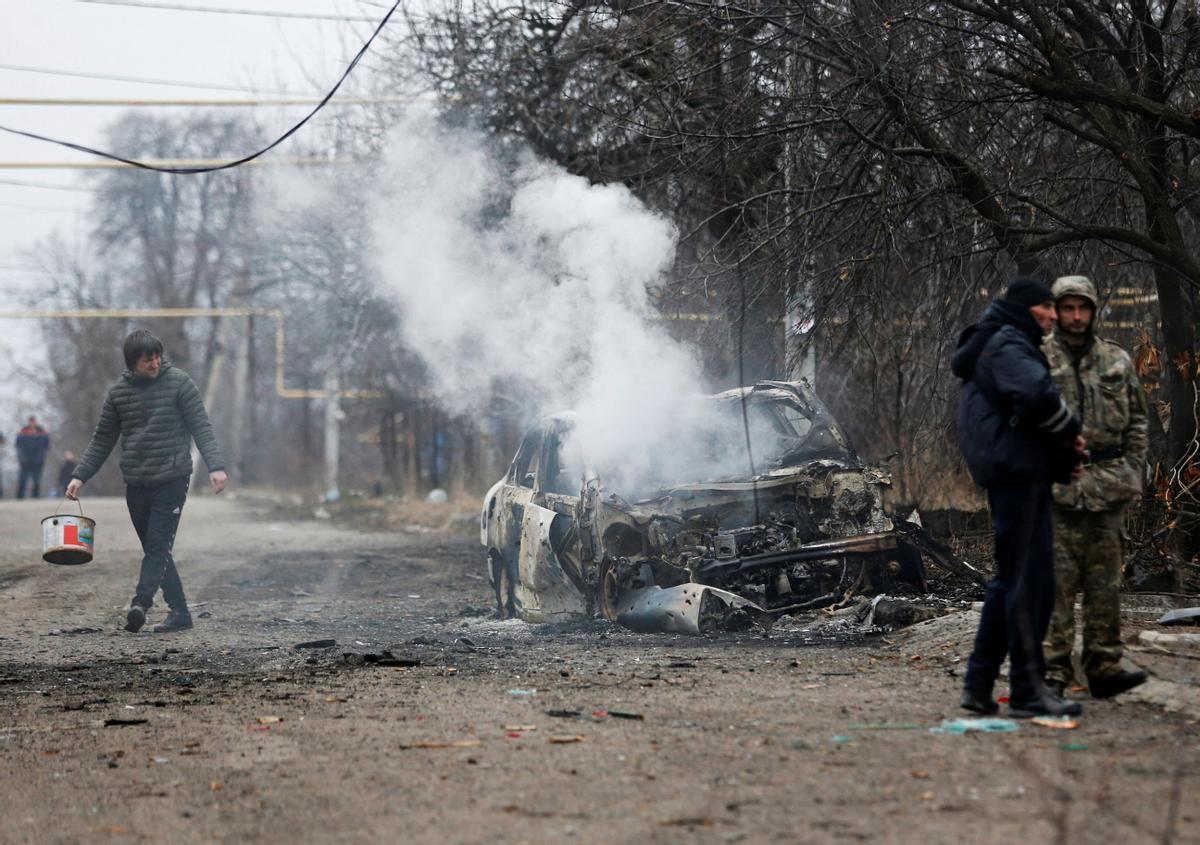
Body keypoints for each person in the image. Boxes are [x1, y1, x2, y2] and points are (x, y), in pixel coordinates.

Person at [952, 276, 1086, 718]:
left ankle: (978, 684)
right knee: (1032, 584)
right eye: (1047, 307)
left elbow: (1018, 413)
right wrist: (1071, 434)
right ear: (1028, 309)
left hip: (1010, 471)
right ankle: (1028, 691)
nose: (1053, 315)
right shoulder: (1009, 342)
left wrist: (1060, 458)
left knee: (1010, 580)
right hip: (1018, 474)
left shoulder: (992, 342)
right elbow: (1035, 396)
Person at [66, 330, 228, 634]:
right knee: (157, 549)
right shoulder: (118, 394)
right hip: (137, 482)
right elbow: (102, 439)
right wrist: (79, 475)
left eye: (157, 357)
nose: (155, 364)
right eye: (147, 360)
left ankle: (141, 603)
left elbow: (201, 426)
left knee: (157, 546)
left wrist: (215, 466)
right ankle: (180, 613)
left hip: (172, 477)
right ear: (132, 363)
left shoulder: (179, 383)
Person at [1043, 276, 1149, 699]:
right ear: (1057, 311)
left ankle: (1104, 666)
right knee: (1056, 586)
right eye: (1068, 308)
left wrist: (1132, 470)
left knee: (1105, 584)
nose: (1076, 316)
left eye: (1082, 307)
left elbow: (1138, 420)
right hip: (1057, 487)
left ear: (1093, 310)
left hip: (1108, 484)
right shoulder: (1039, 359)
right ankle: (1053, 671)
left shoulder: (1116, 359)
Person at [15, 416, 50, 499]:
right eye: (30, 421)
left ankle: (35, 497)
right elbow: (18, 447)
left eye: (33, 421)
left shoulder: (42, 433)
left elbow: (46, 447)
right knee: (22, 480)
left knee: (37, 480)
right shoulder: (22, 432)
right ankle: (19, 497)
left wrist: (42, 457)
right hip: (25, 462)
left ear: (35, 422)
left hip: (38, 461)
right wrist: (21, 458)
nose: (32, 423)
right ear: (29, 422)